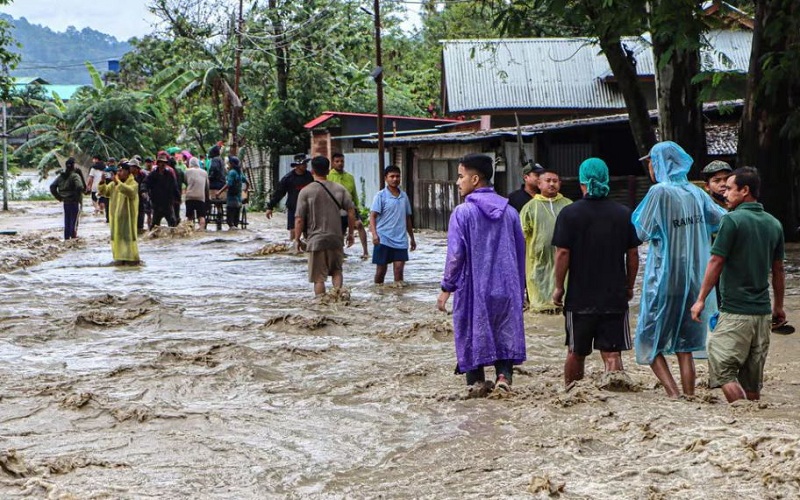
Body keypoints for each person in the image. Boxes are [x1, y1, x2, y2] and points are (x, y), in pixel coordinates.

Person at [632, 141, 727, 398]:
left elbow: (640, 231)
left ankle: (673, 395)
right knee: (685, 346)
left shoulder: (659, 193)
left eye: (652, 161)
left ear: (662, 163)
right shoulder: (696, 193)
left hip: (663, 278)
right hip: (696, 280)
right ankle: (690, 396)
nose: (651, 168)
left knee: (648, 340)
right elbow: (723, 220)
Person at [691, 167, 784, 403]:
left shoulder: (731, 221)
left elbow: (716, 260)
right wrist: (779, 308)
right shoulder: (774, 224)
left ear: (745, 191)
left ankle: (741, 418)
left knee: (722, 369)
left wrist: (701, 299)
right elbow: (779, 271)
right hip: (762, 314)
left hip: (735, 312)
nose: (725, 194)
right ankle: (753, 426)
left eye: (731, 189)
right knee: (752, 381)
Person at [437, 153, 526, 395]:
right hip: (507, 288)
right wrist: (521, 290)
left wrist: (446, 289)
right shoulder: (510, 213)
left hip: (474, 290)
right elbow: (520, 254)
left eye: (460, 176)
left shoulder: (462, 213)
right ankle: (503, 377)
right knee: (504, 335)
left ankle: (476, 385)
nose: (458, 182)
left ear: (475, 179)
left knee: (471, 334)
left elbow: (455, 255)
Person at [551, 158, 640, 386]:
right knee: (612, 353)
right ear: (606, 180)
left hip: (580, 297)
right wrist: (629, 286)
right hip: (614, 295)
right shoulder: (623, 214)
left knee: (576, 351)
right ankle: (617, 393)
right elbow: (632, 255)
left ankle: (572, 393)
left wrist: (559, 287)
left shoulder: (569, 214)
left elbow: (562, 254)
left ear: (582, 183)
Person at [294, 156, 356, 297]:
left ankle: (321, 306)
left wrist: (297, 239)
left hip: (316, 240)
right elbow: (351, 211)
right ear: (328, 170)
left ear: (312, 171)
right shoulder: (340, 190)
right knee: (336, 271)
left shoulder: (306, 191)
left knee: (319, 278)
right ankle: (338, 298)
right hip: (336, 238)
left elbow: (299, 219)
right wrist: (351, 234)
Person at [519, 170, 572, 312]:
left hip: (565, 261)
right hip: (538, 262)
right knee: (540, 307)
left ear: (560, 184)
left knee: (564, 305)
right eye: (548, 181)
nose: (552, 184)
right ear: (539, 184)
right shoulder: (530, 207)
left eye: (555, 181)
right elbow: (521, 237)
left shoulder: (569, 205)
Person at [369, 165, 416, 284]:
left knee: (399, 271)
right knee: (381, 271)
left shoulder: (404, 196)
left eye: (397, 176)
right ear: (386, 178)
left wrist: (412, 238)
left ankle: (399, 299)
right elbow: (373, 216)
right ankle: (379, 296)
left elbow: (407, 218)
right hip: (383, 238)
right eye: (392, 176)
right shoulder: (380, 196)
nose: (395, 179)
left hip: (400, 240)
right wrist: (374, 235)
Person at [329, 152, 370, 258]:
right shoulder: (329, 177)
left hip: (350, 207)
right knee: (340, 230)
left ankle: (365, 251)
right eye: (337, 161)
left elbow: (354, 193)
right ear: (332, 163)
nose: (340, 163)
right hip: (336, 208)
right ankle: (341, 252)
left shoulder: (349, 177)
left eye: (342, 161)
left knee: (360, 224)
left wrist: (357, 206)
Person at [98, 161, 140, 265]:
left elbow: (130, 192)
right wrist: (102, 182)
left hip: (128, 220)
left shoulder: (133, 184)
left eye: (121, 171)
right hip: (116, 220)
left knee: (128, 239)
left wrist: (118, 182)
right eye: (118, 171)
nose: (119, 173)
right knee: (117, 239)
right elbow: (105, 192)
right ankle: (120, 259)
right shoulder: (113, 184)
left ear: (127, 172)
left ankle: (131, 260)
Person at [266, 153, 314, 241]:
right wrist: (270, 207)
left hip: (308, 209)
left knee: (308, 233)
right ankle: (293, 250)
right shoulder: (288, 178)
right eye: (303, 163)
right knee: (294, 233)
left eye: (306, 163)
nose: (305, 165)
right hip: (293, 208)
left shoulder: (309, 176)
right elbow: (279, 193)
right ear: (297, 165)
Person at [49, 157, 85, 240]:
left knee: (67, 220)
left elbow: (52, 187)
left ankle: (66, 238)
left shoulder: (61, 176)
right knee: (74, 220)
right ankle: (73, 237)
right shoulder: (75, 176)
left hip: (65, 201)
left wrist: (59, 197)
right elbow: (80, 186)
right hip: (75, 201)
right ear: (73, 165)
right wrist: (76, 196)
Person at [145, 154, 179, 228]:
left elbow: (174, 186)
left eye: (164, 162)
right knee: (155, 225)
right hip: (157, 203)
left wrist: (177, 198)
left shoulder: (169, 174)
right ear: (158, 163)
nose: (163, 164)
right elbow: (145, 184)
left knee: (172, 224)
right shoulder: (152, 175)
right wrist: (144, 191)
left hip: (168, 202)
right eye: (161, 162)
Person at [215, 156, 245, 229]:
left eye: (229, 163)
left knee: (230, 221)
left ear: (231, 164)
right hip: (238, 198)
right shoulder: (240, 173)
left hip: (232, 198)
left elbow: (229, 184)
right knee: (236, 221)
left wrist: (219, 192)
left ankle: (232, 228)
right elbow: (247, 182)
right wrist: (246, 189)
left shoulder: (232, 172)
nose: (228, 164)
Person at [185, 156, 209, 230]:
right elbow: (207, 187)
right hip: (200, 197)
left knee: (190, 217)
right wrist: (207, 198)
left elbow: (186, 182)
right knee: (201, 216)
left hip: (189, 197)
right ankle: (201, 229)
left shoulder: (187, 171)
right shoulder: (204, 172)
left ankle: (190, 231)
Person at [128, 159, 150, 234]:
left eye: (131, 167)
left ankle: (139, 229)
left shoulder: (143, 175)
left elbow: (146, 184)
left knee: (141, 213)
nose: (130, 168)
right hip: (131, 198)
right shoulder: (128, 176)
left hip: (141, 197)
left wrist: (144, 192)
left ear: (136, 168)